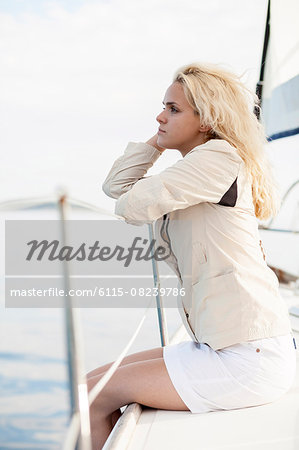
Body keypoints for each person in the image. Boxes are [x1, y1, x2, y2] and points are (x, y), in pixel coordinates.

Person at [87, 62, 296, 449]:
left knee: (92, 397)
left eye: (173, 109)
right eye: (163, 107)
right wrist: (161, 137)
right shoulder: (197, 168)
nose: (159, 116)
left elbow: (131, 205)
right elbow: (116, 186)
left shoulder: (217, 158)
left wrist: (165, 139)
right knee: (90, 387)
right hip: (224, 344)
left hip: (246, 358)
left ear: (207, 120)